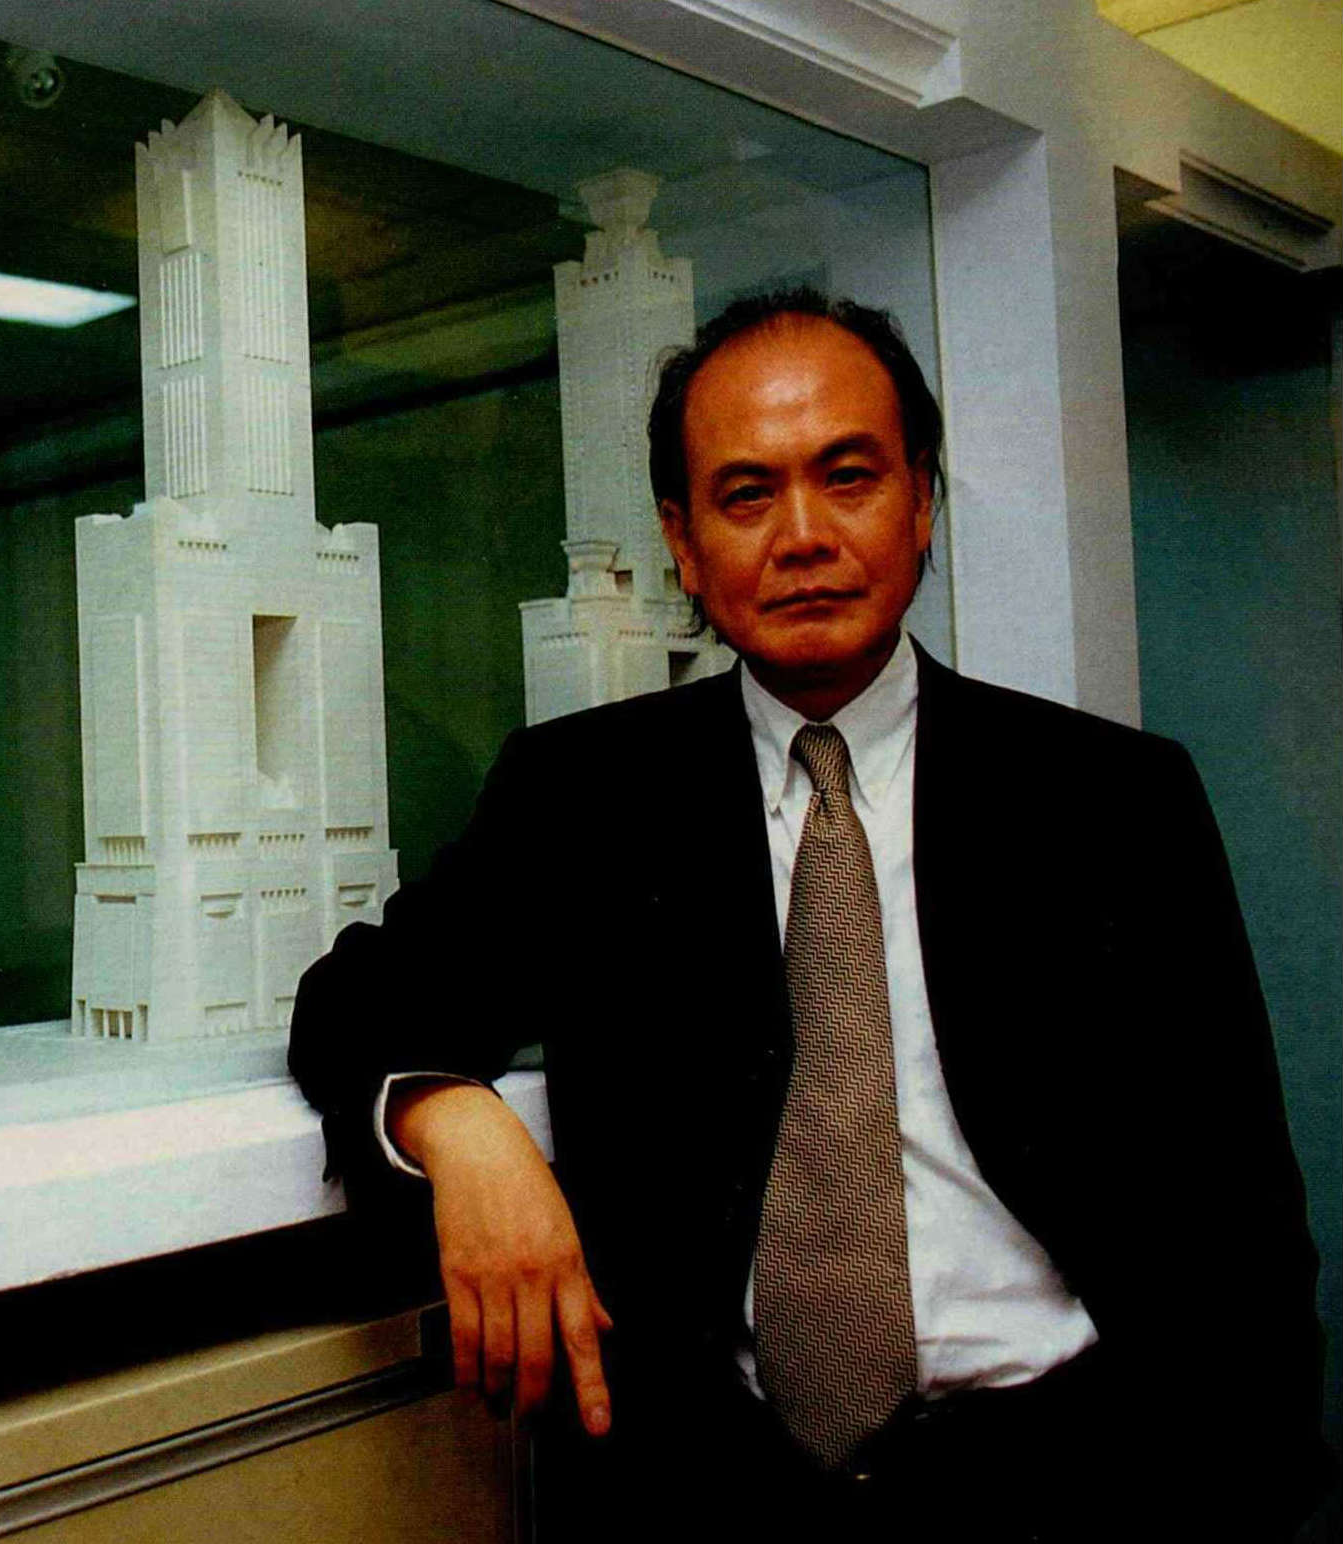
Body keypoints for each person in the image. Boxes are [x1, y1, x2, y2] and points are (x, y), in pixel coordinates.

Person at [288, 288, 1334, 1540]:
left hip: (1074, 1473)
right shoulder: (584, 793)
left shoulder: (1111, 798)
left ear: (920, 501)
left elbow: (1243, 1222)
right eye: (745, 495)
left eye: (848, 477)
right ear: (681, 543)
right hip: (707, 1489)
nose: (802, 536)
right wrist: (453, 1118)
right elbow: (353, 999)